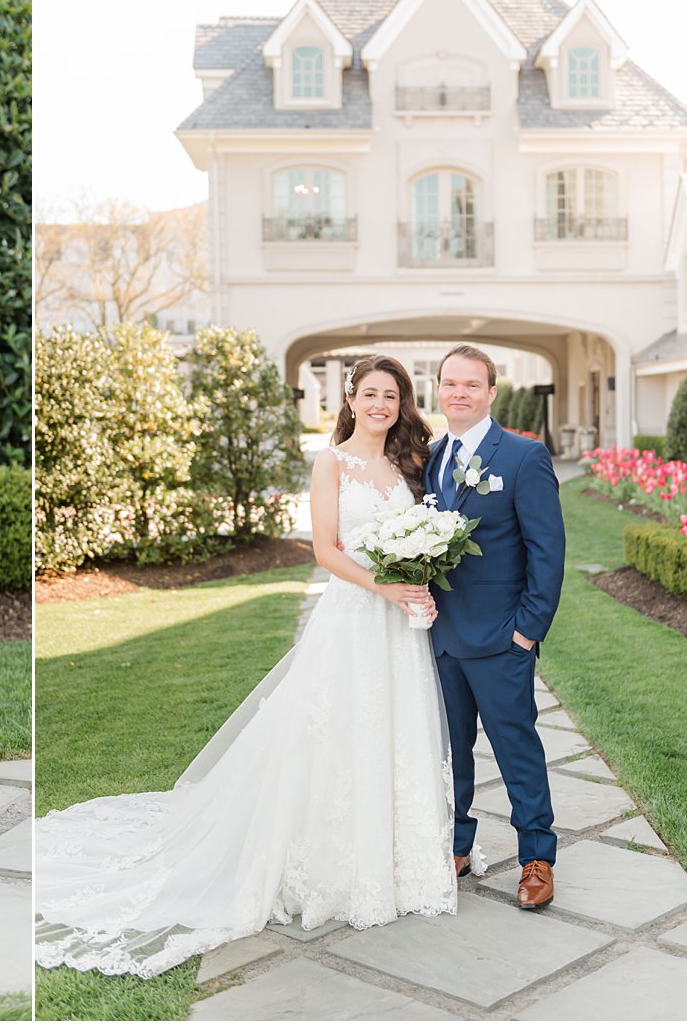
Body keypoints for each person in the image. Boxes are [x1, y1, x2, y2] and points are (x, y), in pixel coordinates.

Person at [34, 355, 457, 979]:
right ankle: (337, 865)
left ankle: (401, 861)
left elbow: (422, 532)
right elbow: (324, 551)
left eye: (390, 396)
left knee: (396, 733)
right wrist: (385, 587)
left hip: (400, 626)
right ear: (352, 399)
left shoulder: (410, 463)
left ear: (403, 403)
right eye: (369, 394)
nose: (380, 405)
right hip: (355, 615)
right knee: (336, 732)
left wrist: (415, 580)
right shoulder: (331, 461)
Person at [426, 344, 564, 909]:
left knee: (517, 749)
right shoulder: (431, 457)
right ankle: (456, 846)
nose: (459, 393)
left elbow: (547, 553)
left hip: (502, 639)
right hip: (438, 637)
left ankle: (537, 857)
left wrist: (526, 632)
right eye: (449, 383)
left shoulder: (522, 457)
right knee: (447, 750)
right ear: (440, 389)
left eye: (470, 384)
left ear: (490, 392)